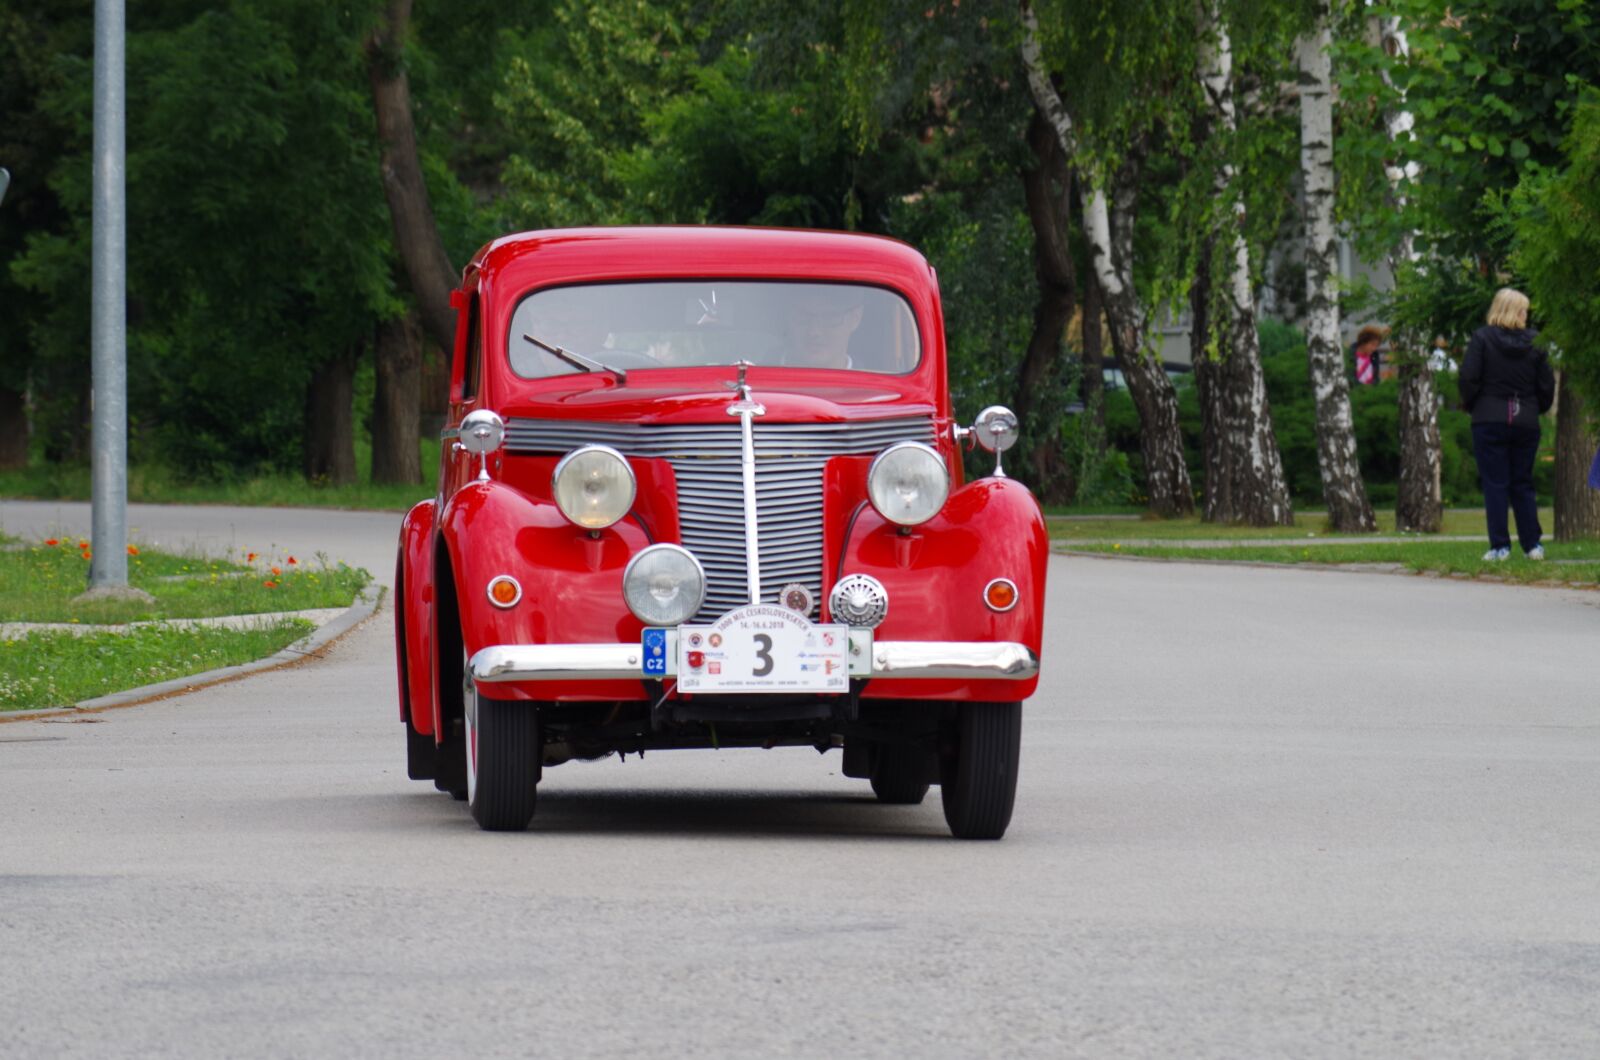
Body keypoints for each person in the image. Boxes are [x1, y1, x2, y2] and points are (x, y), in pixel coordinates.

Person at [1458, 287, 1556, 561]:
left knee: (1495, 482)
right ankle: (1532, 544)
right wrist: (1537, 407)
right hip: (1525, 417)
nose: (1526, 315)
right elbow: (1546, 384)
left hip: (1489, 417)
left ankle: (1500, 545)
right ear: (1517, 312)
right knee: (1523, 482)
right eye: (1524, 310)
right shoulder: (1536, 342)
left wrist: (1473, 404)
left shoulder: (1482, 339)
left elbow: (1468, 378)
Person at [780, 285, 865, 369]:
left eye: (830, 317)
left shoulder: (870, 378)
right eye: (802, 316)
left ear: (855, 318)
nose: (814, 332)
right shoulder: (767, 367)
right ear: (787, 315)